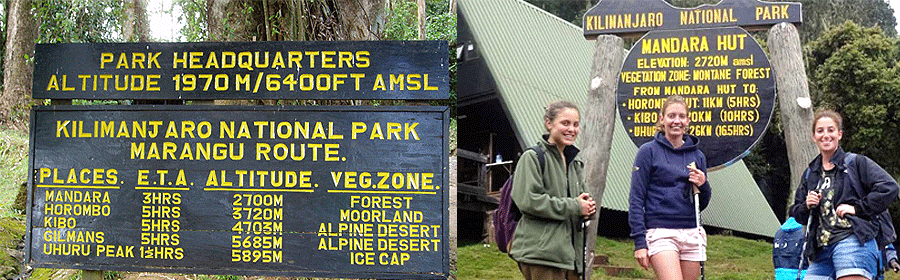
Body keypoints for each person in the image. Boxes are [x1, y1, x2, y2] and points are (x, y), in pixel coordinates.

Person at [789, 109, 899, 280]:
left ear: (839, 134)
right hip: (821, 250)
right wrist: (806, 205)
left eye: (831, 130)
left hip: (854, 240)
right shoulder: (811, 173)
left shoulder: (856, 163)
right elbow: (796, 213)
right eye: (820, 131)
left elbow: (889, 187)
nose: (826, 135)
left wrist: (858, 208)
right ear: (814, 137)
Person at [509, 100, 597, 280]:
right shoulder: (532, 158)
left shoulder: (575, 162)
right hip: (542, 255)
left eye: (576, 124)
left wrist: (588, 208)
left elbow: (580, 202)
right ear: (549, 123)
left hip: (570, 258)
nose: (572, 129)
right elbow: (528, 201)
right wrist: (575, 206)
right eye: (565, 123)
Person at [629, 95, 711, 280]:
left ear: (688, 121)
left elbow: (702, 204)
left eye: (681, 116)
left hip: (691, 232)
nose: (676, 121)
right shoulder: (647, 151)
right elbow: (636, 198)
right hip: (661, 231)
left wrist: (703, 184)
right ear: (662, 119)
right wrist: (639, 242)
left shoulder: (698, 156)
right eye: (671, 116)